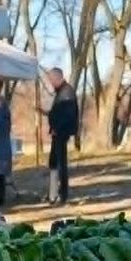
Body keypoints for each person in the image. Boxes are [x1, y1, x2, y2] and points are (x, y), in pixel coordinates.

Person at [42, 67, 79, 205]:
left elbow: (68, 115)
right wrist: (47, 114)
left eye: (51, 80)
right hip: (56, 132)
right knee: (53, 162)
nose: (50, 83)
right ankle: (52, 193)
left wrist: (57, 128)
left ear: (58, 78)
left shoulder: (67, 93)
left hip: (61, 133)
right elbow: (57, 112)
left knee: (60, 164)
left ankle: (62, 195)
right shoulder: (61, 93)